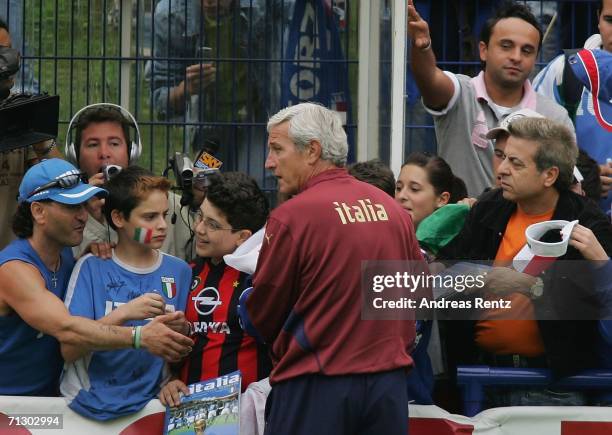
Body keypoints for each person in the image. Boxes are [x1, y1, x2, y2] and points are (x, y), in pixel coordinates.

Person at [239, 103, 422, 435]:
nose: (270, 163)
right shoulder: (394, 212)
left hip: (316, 385)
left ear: (312, 151)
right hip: (388, 386)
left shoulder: (293, 216)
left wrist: (247, 303)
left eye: (277, 149)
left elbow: (263, 315)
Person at [438, 117, 612, 406]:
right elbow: (446, 270)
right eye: (503, 157)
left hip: (553, 386)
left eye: (516, 163)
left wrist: (527, 285)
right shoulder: (488, 208)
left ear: (549, 175)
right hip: (478, 380)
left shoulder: (588, 225)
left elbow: (594, 304)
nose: (502, 169)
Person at [0, 159, 193, 396]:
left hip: (49, 401)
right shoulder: (13, 270)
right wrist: (140, 335)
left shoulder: (70, 258)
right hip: (10, 407)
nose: (84, 216)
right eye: (72, 207)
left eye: (84, 205)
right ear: (39, 212)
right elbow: (69, 331)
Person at [60, 166, 192, 420]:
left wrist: (181, 337)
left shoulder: (180, 271)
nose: (162, 225)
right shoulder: (90, 266)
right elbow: (69, 350)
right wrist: (126, 312)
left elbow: (180, 355)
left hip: (152, 405)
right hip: (87, 405)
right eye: (150, 217)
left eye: (165, 215)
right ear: (119, 218)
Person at [407, 0, 574, 197]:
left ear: (536, 57)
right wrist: (423, 46)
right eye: (506, 46)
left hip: (525, 227)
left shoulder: (554, 117)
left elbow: (568, 187)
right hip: (460, 226)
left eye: (527, 51)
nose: (516, 57)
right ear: (483, 50)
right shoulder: (460, 93)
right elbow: (429, 79)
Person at [159, 171, 271, 408]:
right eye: (200, 216)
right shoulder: (186, 273)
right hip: (189, 413)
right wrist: (170, 380)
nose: (199, 228)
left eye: (212, 224)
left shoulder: (263, 280)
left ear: (242, 237)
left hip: (245, 416)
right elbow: (171, 350)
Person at [147, 0, 266, 174]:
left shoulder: (263, 7)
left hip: (257, 123)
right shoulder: (170, 15)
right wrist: (185, 89)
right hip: (209, 133)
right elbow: (159, 98)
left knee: (257, 186)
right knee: (207, 186)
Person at [65, 103, 193, 260]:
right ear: (74, 155)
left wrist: (201, 202)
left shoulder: (170, 205)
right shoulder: (66, 211)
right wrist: (91, 220)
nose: (104, 153)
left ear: (131, 152)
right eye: (93, 144)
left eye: (114, 143)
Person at [533, 0, 612, 215]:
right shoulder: (564, 72)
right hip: (572, 227)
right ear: (597, 19)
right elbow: (530, 146)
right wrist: (582, 175)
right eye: (610, 20)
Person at [0, 19, 61, 249]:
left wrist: (38, 136)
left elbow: (57, 179)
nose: (8, 60)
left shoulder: (17, 113)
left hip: (11, 262)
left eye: (8, 50)